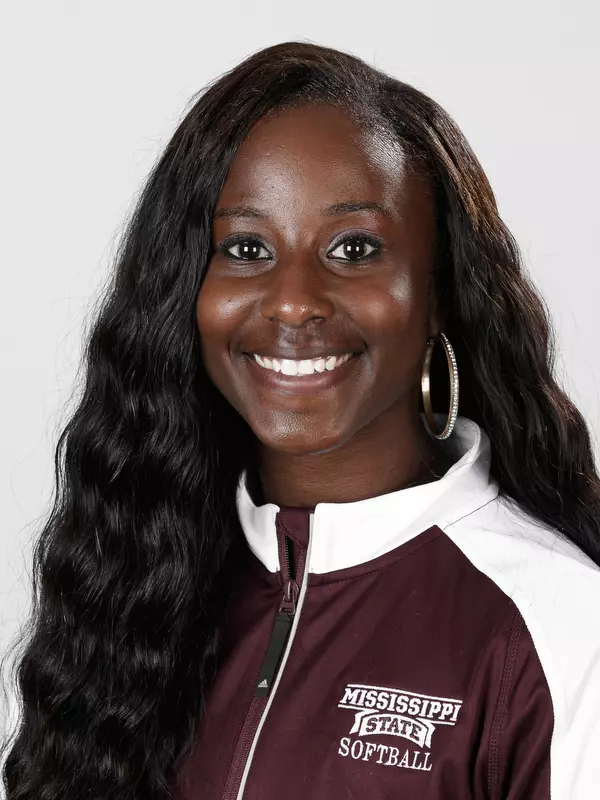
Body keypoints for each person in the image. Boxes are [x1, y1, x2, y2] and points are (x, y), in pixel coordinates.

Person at [2, 40, 600, 800]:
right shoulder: (131, 587)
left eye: (355, 248)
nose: (292, 301)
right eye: (247, 248)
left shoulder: (563, 630)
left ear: (442, 287)